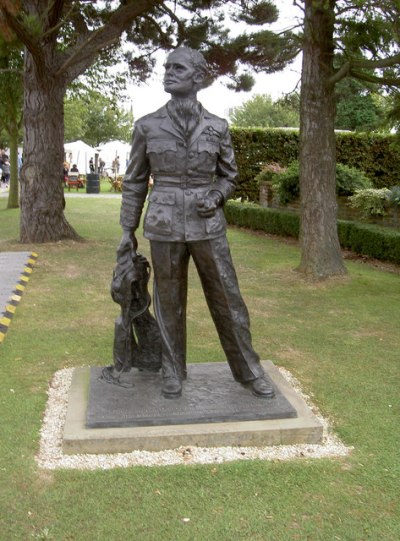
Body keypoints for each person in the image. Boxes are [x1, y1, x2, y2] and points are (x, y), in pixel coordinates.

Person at [118, 47, 274, 399]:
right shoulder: (147, 125)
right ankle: (172, 370)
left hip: (208, 225)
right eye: (167, 67)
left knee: (228, 298)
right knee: (168, 300)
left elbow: (229, 176)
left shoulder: (218, 127)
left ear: (198, 77)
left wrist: (217, 195)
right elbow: (135, 181)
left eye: (178, 67)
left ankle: (249, 370)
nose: (168, 72)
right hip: (164, 222)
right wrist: (127, 231)